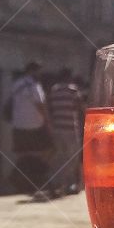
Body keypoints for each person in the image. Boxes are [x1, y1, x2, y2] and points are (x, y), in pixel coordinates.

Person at [7, 61, 52, 194]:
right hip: (35, 125)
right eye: (39, 71)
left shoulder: (16, 84)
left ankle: (23, 179)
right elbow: (40, 105)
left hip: (18, 126)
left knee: (23, 154)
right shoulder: (33, 85)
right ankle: (35, 176)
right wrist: (48, 122)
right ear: (33, 71)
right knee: (49, 150)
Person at [45, 68, 83, 197]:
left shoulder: (54, 90)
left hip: (57, 128)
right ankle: (67, 184)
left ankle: (54, 181)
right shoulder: (72, 90)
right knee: (71, 158)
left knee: (59, 157)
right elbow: (79, 107)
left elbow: (49, 107)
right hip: (70, 128)